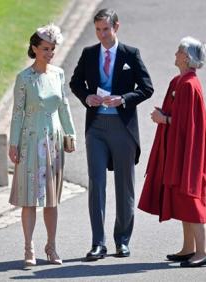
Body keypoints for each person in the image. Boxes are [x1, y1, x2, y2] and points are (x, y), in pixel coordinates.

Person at [69, 8, 153, 261]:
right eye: (97, 30)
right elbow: (75, 83)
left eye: (106, 29)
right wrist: (87, 97)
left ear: (116, 27)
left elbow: (147, 88)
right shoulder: (89, 53)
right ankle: (98, 243)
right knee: (96, 185)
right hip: (96, 129)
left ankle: (122, 241)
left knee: (124, 186)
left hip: (123, 129)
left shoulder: (130, 54)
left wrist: (124, 99)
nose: (101, 35)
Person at [138, 36, 206, 267]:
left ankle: (203, 251)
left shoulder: (190, 85)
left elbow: (187, 123)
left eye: (179, 51)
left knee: (192, 197)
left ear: (187, 56)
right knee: (182, 196)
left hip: (189, 151)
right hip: (178, 148)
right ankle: (188, 248)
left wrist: (164, 119)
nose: (175, 54)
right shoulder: (179, 81)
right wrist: (165, 117)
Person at [8, 23, 76, 268]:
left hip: (55, 141)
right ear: (35, 48)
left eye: (52, 49)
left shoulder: (58, 74)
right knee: (29, 198)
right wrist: (13, 143)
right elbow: (17, 113)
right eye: (45, 48)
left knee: (51, 199)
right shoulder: (24, 78)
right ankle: (29, 247)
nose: (50, 53)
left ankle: (52, 245)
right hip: (30, 140)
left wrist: (71, 134)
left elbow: (63, 106)